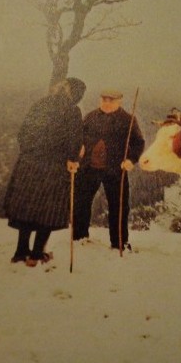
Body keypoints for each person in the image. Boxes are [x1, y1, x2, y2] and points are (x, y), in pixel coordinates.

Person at [3, 77, 86, 267]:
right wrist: (74, 158)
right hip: (54, 168)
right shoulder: (72, 111)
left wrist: (30, 153)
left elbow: (23, 134)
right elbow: (74, 141)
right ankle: (36, 254)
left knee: (27, 208)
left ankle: (20, 252)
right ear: (76, 94)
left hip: (29, 165)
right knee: (48, 211)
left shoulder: (41, 104)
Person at [73, 89, 144, 250]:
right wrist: (80, 147)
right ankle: (79, 237)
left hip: (115, 169)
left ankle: (119, 242)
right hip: (89, 168)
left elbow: (138, 142)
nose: (106, 102)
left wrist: (131, 160)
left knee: (118, 206)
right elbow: (80, 136)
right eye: (103, 99)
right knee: (81, 202)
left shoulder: (128, 120)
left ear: (119, 101)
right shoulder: (90, 117)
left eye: (110, 100)